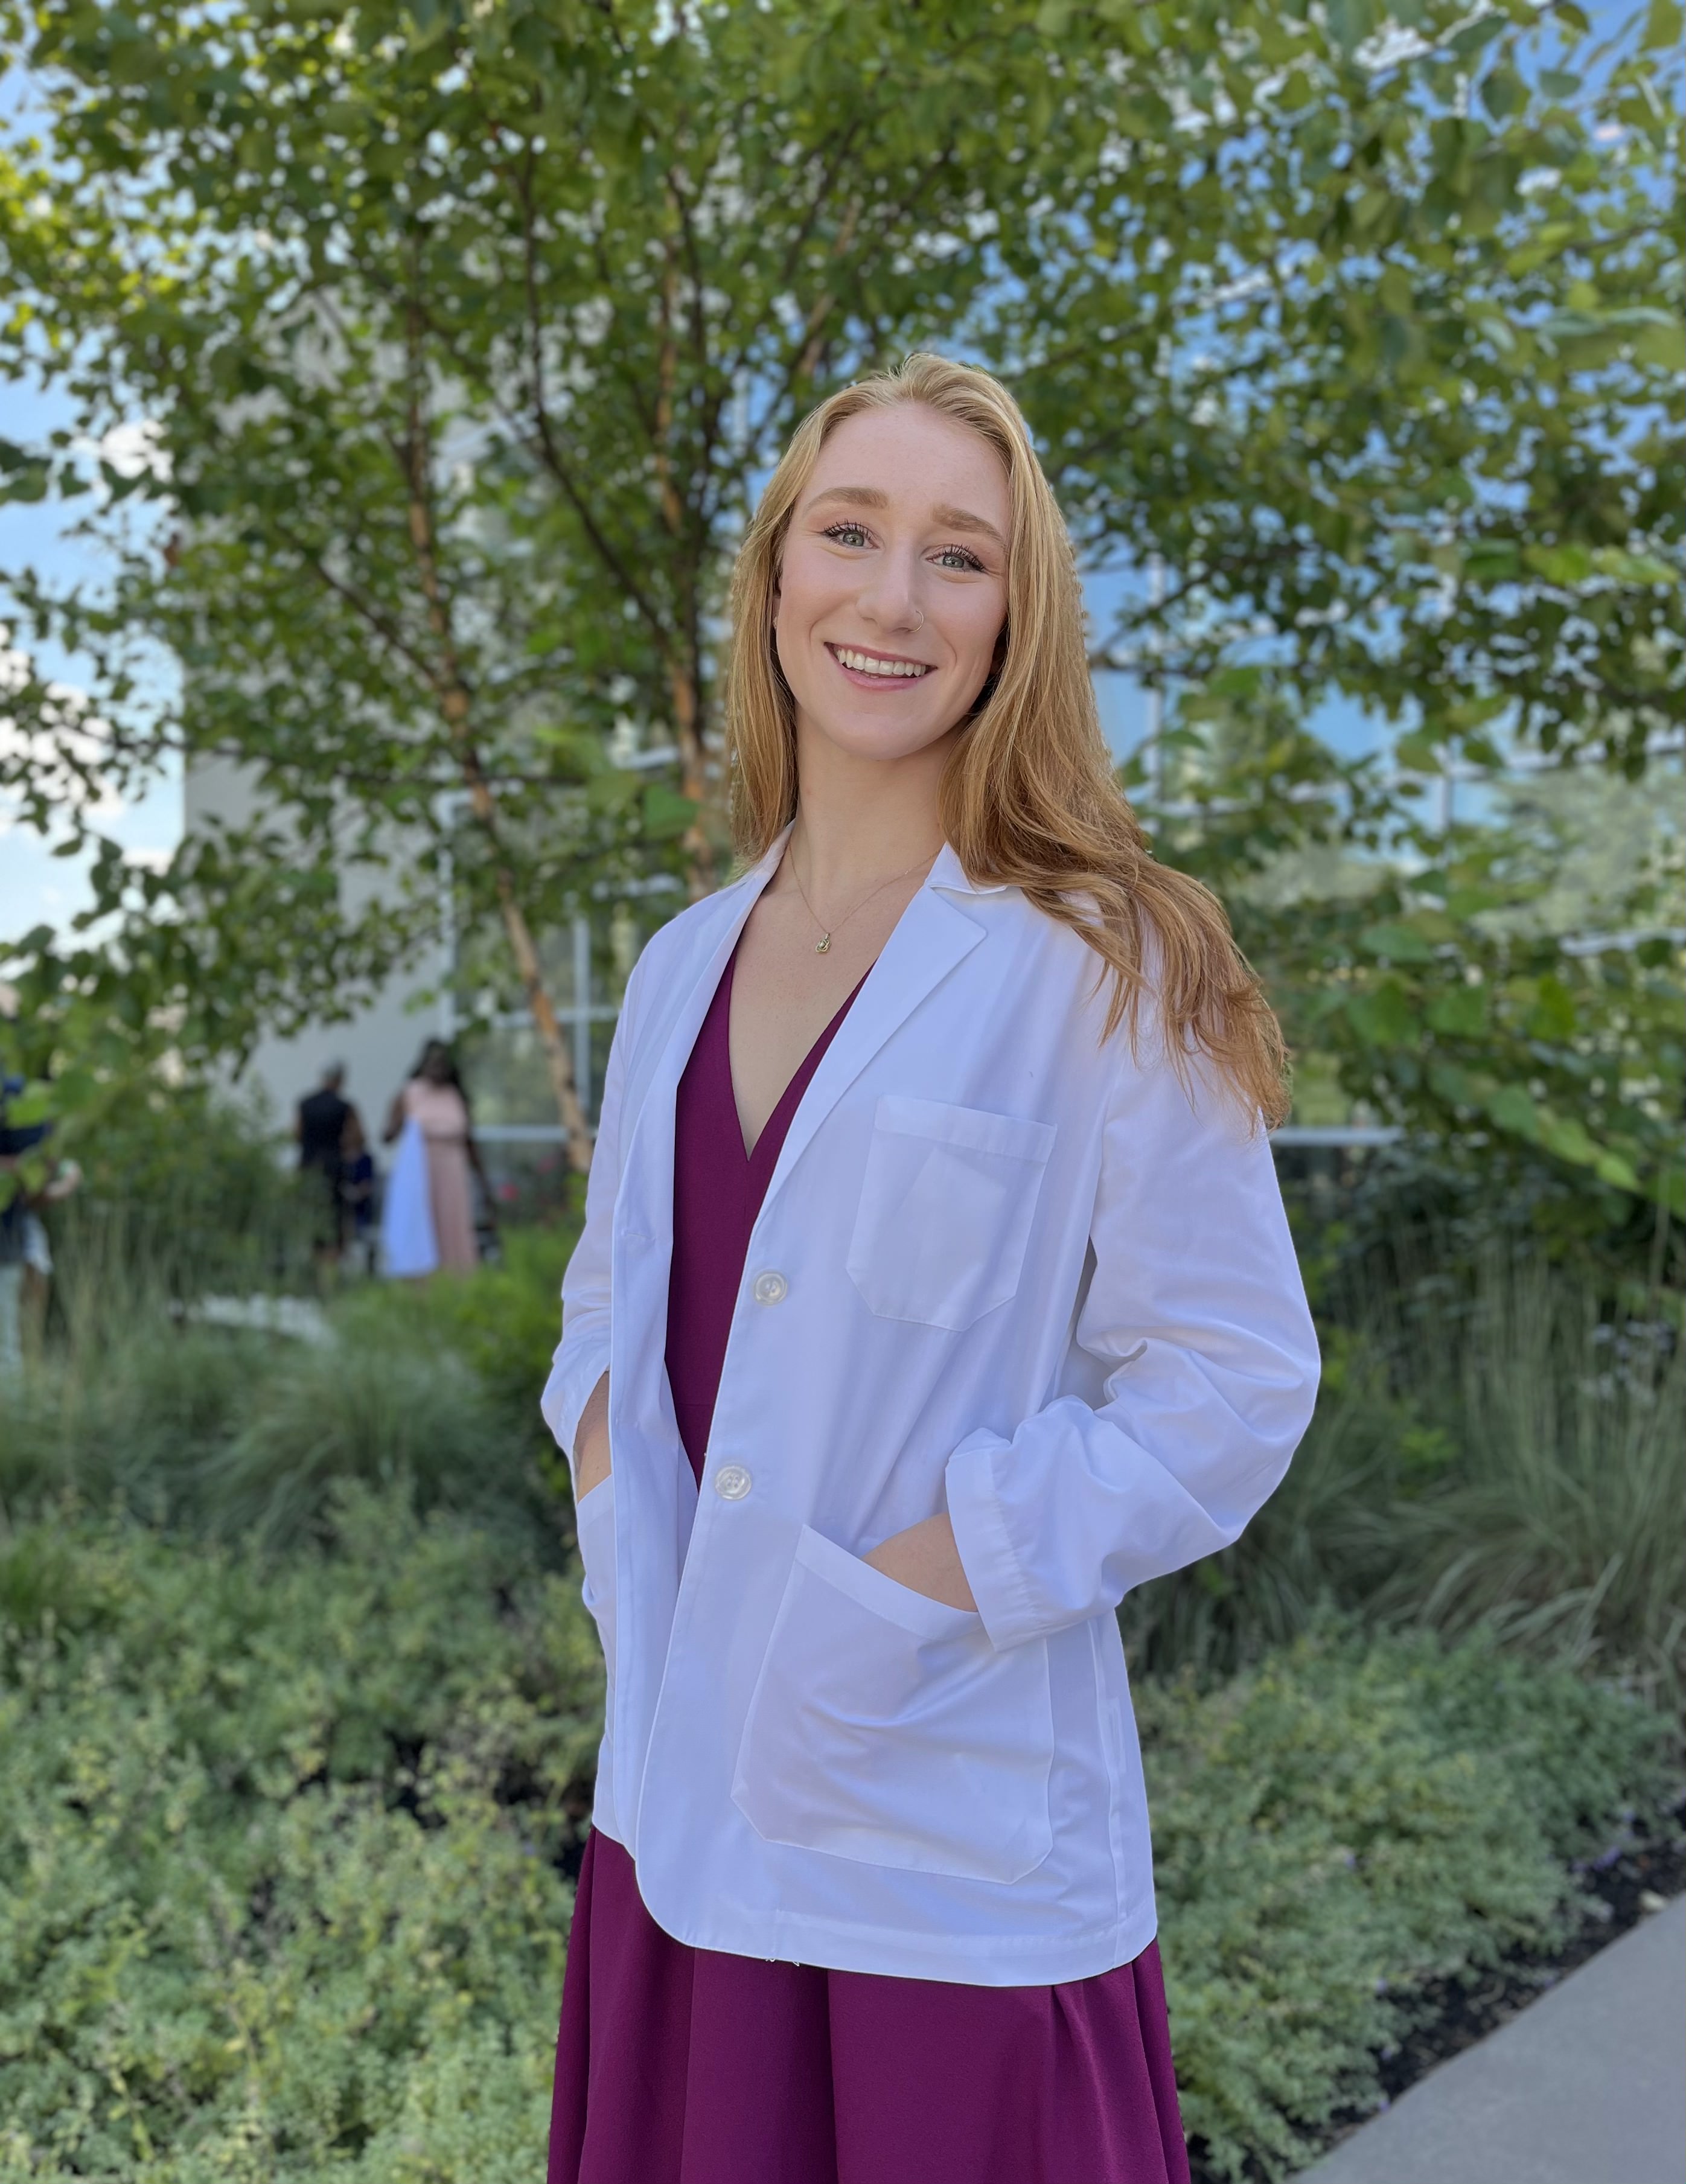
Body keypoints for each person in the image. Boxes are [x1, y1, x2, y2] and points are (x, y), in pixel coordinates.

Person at [541, 355, 1320, 2184]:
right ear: (774, 578)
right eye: (850, 533)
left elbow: (1231, 1380)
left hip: (941, 1843)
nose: (893, 598)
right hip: (675, 1805)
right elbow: (607, 1307)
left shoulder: (1109, 959)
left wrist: (895, 1599)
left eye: (958, 556)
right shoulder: (677, 965)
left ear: (1014, 620)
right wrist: (608, 1491)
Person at [381, 1039, 488, 1276]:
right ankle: (422, 1276)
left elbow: (470, 1140)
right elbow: (387, 1135)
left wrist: (483, 1181)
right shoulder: (410, 1093)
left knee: (453, 1219)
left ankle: (458, 1274)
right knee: (424, 1219)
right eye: (433, 1063)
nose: (438, 1069)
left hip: (453, 1166)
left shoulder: (455, 1095)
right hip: (421, 1168)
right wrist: (404, 1125)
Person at [293, 1062, 359, 1265]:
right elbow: (358, 1137)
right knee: (336, 1215)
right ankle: (333, 1259)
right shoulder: (345, 1107)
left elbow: (297, 1134)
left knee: (310, 1211)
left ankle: (313, 1257)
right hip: (334, 1167)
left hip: (309, 1165)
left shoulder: (305, 1104)